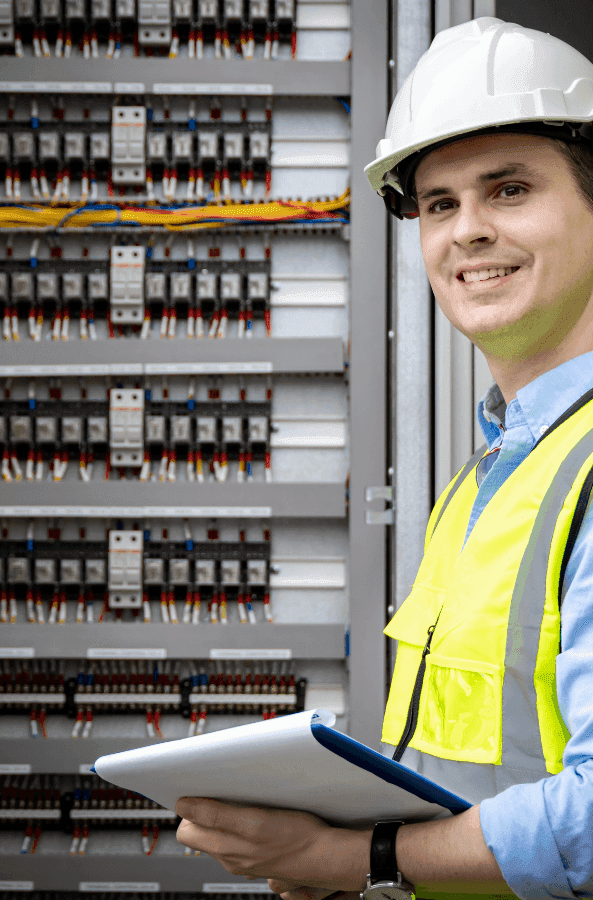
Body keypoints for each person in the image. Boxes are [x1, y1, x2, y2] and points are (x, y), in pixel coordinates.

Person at [175, 17, 593, 900]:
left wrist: (356, 858)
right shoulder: (488, 478)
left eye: (509, 189)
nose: (467, 231)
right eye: (438, 204)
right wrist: (344, 842)